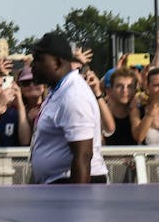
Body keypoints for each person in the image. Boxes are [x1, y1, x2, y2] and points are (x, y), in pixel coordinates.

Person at [29, 32, 108, 184]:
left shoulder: (73, 96)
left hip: (72, 184)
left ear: (57, 63)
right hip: (58, 184)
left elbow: (83, 155)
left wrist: (77, 197)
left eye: (39, 59)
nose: (33, 65)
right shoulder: (60, 90)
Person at [99, 68, 139, 145]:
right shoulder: (100, 114)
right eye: (119, 86)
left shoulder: (141, 114)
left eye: (130, 86)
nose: (125, 90)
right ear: (109, 90)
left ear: (135, 90)